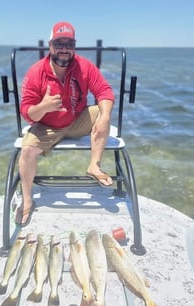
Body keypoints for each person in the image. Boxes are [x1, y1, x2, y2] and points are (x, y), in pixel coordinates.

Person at [16, 21, 115, 226]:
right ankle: (27, 200)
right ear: (50, 46)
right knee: (26, 151)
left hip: (77, 119)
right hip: (47, 126)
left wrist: (104, 115)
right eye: (59, 44)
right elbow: (27, 112)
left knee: (104, 112)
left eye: (69, 45)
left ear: (74, 47)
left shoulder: (85, 66)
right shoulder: (36, 72)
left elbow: (104, 91)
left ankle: (94, 166)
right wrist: (43, 107)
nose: (64, 49)